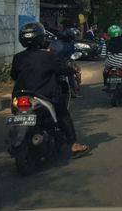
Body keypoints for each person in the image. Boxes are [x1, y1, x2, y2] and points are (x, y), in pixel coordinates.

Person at [11, 22, 90, 158]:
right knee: (63, 114)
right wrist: (72, 69)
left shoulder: (18, 57)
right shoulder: (49, 56)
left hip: (20, 97)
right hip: (46, 96)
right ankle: (74, 144)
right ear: (41, 38)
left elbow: (14, 75)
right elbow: (63, 69)